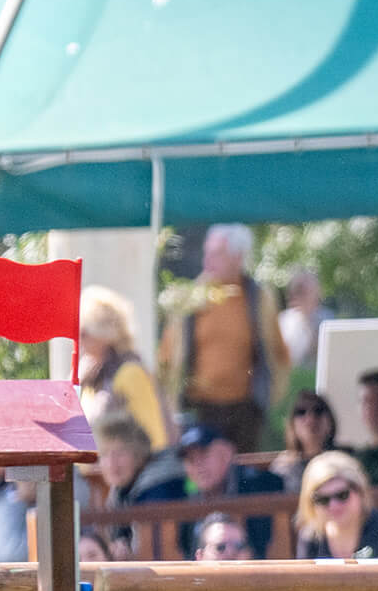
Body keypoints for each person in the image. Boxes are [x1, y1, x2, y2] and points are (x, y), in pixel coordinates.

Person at [157, 223, 289, 453]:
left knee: (242, 475)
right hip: (199, 410)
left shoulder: (259, 298)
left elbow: (278, 353)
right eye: (207, 251)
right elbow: (166, 357)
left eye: (217, 253)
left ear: (238, 258)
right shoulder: (192, 298)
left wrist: (270, 397)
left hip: (246, 410)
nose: (208, 259)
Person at [79, 285, 169, 450]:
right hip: (92, 473)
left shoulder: (129, 372)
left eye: (83, 333)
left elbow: (155, 440)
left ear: (103, 333)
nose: (78, 340)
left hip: (133, 474)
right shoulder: (93, 375)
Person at [178, 423, 285, 558]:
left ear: (226, 453)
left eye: (204, 455)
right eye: (190, 459)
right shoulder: (188, 498)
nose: (198, 465)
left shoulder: (261, 485)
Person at [92, 412, 187, 554]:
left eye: (120, 452)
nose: (112, 463)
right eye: (104, 454)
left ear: (139, 455)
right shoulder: (120, 491)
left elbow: (152, 554)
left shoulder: (156, 489)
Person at [296, 452, 378, 560]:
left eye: (342, 495)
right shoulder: (310, 538)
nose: (333, 505)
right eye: (322, 500)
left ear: (361, 492)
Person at [270, 389, 341, 490]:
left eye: (318, 411)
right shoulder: (283, 467)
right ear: (292, 424)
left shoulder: (343, 461)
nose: (310, 419)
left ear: (330, 421)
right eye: (301, 412)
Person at [277, 269, 332, 371]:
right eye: (297, 291)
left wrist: (308, 321)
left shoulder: (328, 320)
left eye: (304, 292)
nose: (298, 296)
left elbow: (323, 357)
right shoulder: (283, 321)